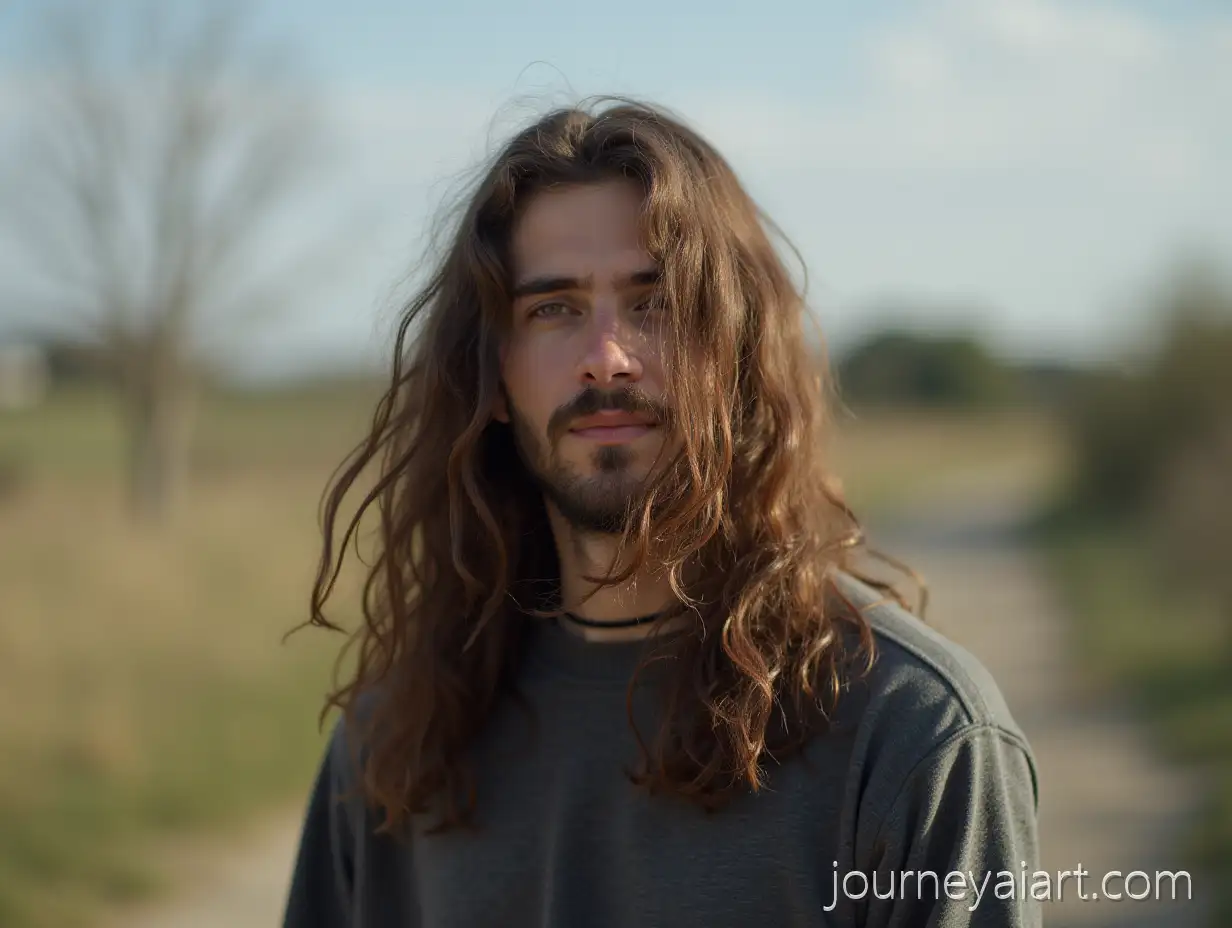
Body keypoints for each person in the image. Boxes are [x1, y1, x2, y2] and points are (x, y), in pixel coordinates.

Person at [282, 97, 1040, 927]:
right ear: (491, 378)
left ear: (738, 354)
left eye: (656, 303)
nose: (606, 356)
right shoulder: (397, 739)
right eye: (553, 309)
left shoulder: (910, 734)